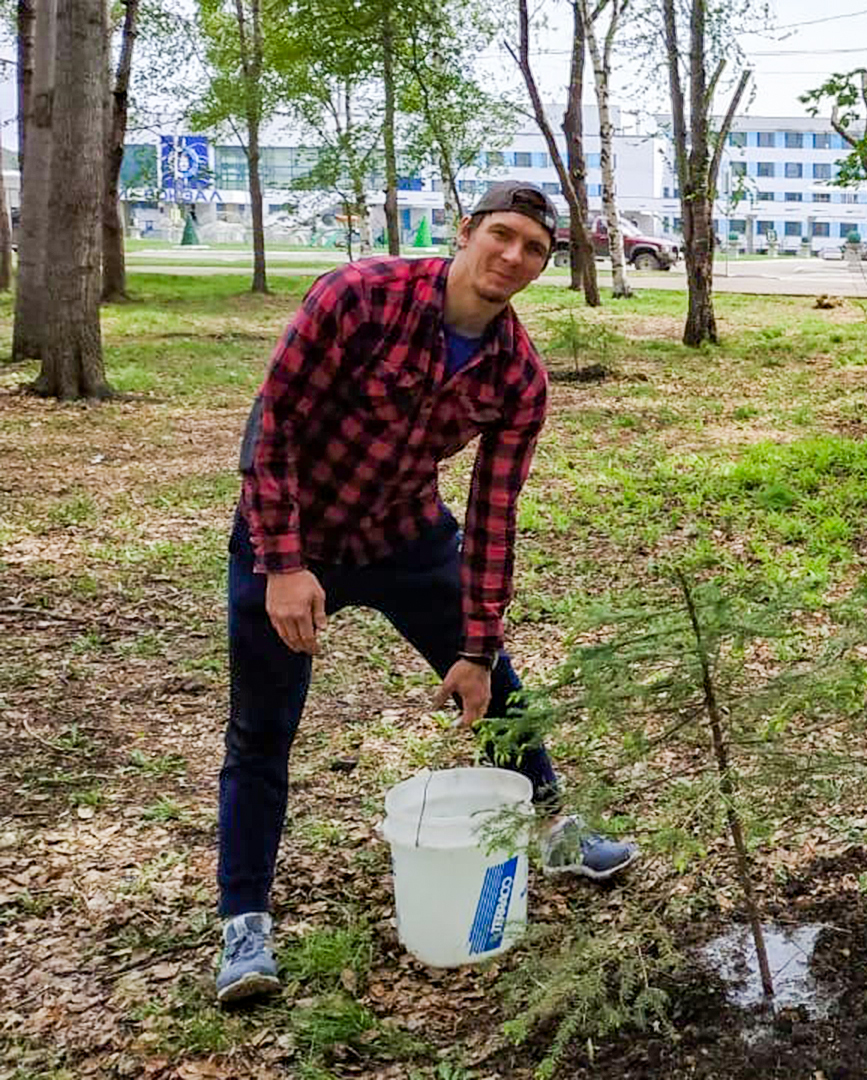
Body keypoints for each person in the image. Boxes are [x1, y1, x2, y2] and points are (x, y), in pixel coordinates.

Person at [215, 182, 637, 1006]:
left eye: (535, 251)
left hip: (406, 537)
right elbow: (272, 430)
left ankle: (552, 829)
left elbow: (492, 515)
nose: (512, 258)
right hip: (291, 537)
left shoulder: (518, 376)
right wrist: (284, 565)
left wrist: (476, 645)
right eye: (502, 236)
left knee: (501, 688)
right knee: (262, 728)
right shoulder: (359, 298)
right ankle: (244, 925)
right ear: (466, 231)